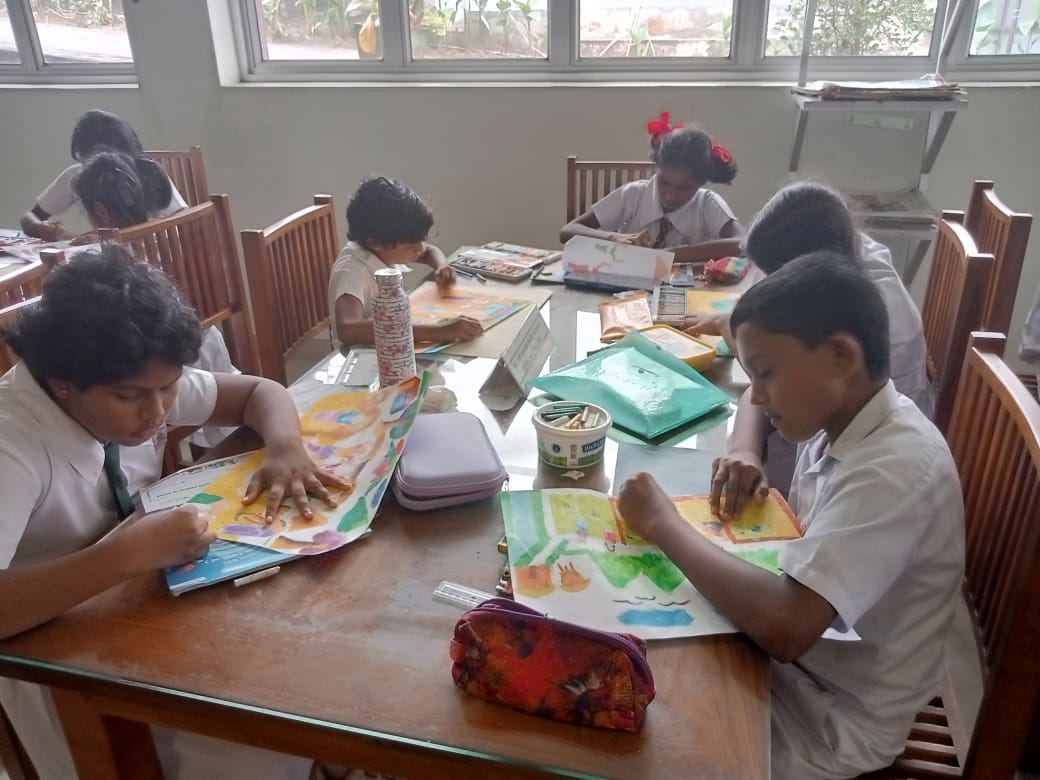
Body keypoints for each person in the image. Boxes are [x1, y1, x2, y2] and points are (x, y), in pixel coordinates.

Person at [0, 245, 349, 779]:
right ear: (62, 380)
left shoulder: (136, 376)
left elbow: (260, 391)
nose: (157, 411)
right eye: (131, 396)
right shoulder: (13, 443)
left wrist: (284, 447)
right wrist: (121, 557)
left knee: (298, 666)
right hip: (58, 665)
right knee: (241, 743)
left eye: (168, 389)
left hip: (143, 604)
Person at [617, 251, 964, 779]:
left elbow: (785, 627)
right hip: (805, 669)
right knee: (632, 646)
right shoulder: (845, 416)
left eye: (766, 373)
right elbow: (756, 413)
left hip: (828, 719)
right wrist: (749, 456)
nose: (755, 395)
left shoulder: (895, 468)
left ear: (841, 356)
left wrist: (662, 523)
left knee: (626, 739)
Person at [690, 181, 933, 507]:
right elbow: (767, 383)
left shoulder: (865, 313)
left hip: (845, 470)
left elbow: (771, 382)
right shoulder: (841, 260)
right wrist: (744, 449)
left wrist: (730, 329)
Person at [74, 149, 240, 449]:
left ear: (99, 212)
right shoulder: (173, 233)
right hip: (208, 344)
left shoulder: (109, 263)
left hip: (168, 361)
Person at [329, 176, 482, 347]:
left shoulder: (383, 248)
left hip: (394, 346)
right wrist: (439, 331)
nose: (419, 249)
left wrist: (442, 267)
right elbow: (348, 329)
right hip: (361, 357)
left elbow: (429, 251)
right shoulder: (352, 270)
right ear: (377, 243)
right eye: (411, 246)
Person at [559, 127, 743, 262]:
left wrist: (672, 254)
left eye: (684, 189)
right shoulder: (634, 194)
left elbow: (741, 244)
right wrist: (614, 238)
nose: (670, 196)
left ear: (700, 184)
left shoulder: (706, 204)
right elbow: (568, 231)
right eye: (663, 183)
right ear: (656, 168)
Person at [20, 109, 187, 241]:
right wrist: (40, 227)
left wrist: (104, 240)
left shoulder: (149, 173)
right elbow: (29, 217)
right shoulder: (78, 175)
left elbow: (184, 223)